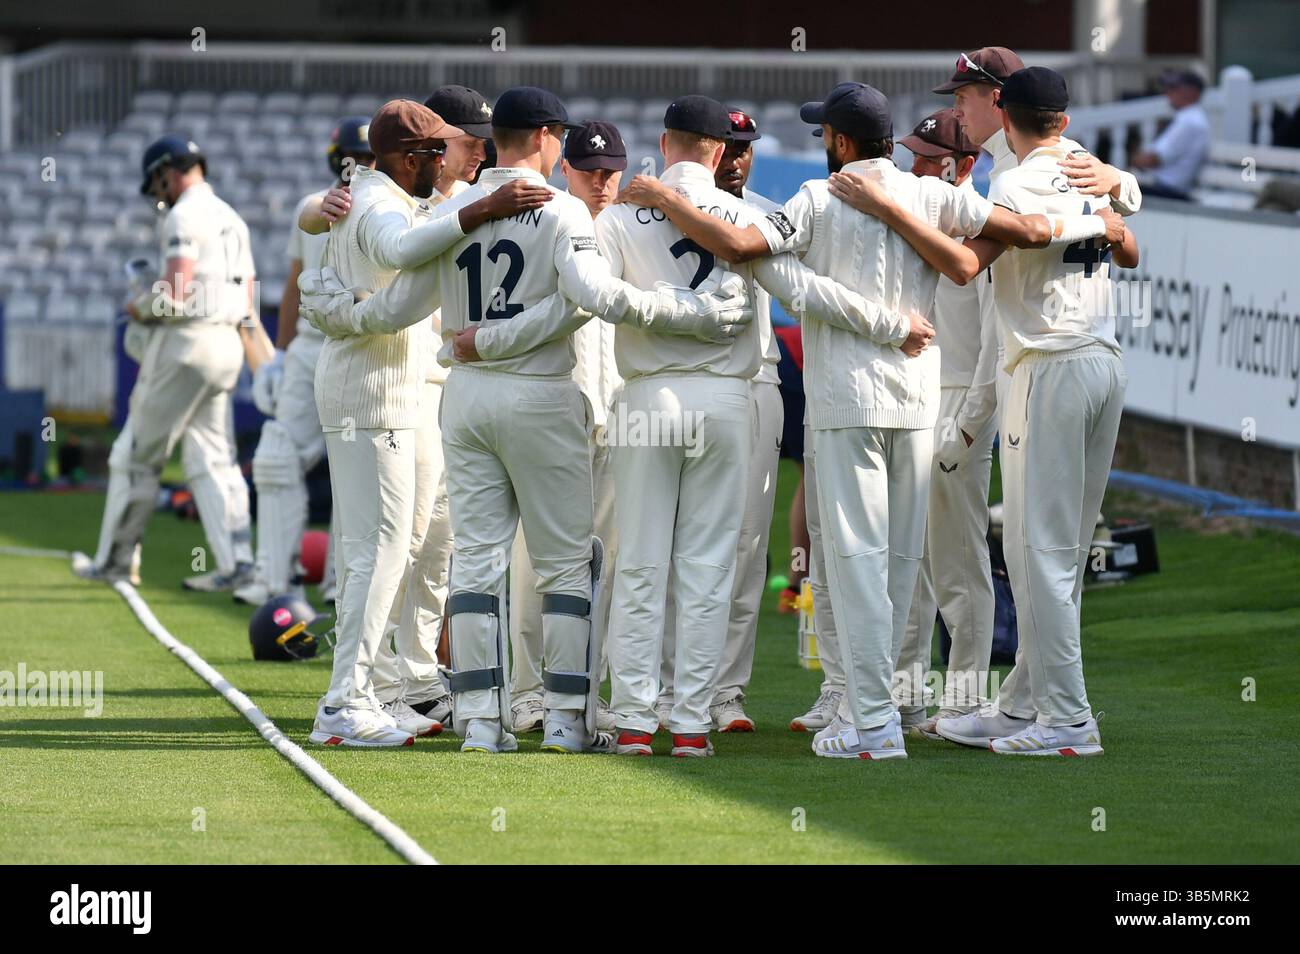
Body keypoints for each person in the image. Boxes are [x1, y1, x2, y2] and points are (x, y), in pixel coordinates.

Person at [619, 82, 1124, 760]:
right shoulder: (933, 194)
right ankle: (880, 711)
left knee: (853, 558)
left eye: (824, 133)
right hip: (918, 400)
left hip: (847, 400)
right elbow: (1023, 233)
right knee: (901, 561)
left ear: (841, 142)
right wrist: (1110, 217)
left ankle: (873, 723)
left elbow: (740, 247)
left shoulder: (816, 199)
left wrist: (665, 198)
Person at [299, 86, 754, 756]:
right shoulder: (563, 210)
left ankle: (481, 723)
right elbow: (593, 299)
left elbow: (398, 309)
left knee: (476, 563)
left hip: (466, 398)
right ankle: (568, 721)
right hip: (540, 394)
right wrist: (693, 311)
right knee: (565, 564)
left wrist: (331, 306)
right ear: (544, 137)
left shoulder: (452, 210)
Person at [854, 68, 1140, 757]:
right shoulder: (1091, 172)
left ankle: (1068, 722)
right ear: (1064, 121)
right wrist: (1116, 198)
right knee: (1063, 549)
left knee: (1037, 553)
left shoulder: (1011, 186)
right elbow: (1130, 245)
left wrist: (890, 211)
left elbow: (964, 267)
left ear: (1004, 110)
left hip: (1046, 365)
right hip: (1104, 360)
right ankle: (1022, 704)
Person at [301, 99, 554, 747]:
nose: (448, 161)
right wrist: (477, 211)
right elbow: (396, 246)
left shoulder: (391, 194)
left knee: (404, 546)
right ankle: (344, 702)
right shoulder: (377, 199)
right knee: (377, 550)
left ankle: (374, 692)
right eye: (437, 152)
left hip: (397, 390)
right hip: (369, 395)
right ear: (410, 157)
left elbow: (404, 259)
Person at [78, 135, 255, 592]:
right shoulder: (233, 218)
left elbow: (175, 293)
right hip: (228, 344)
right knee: (213, 459)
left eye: (157, 182)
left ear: (167, 172)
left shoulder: (183, 214)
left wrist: (141, 306)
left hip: (188, 346)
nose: (157, 193)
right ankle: (238, 564)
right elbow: (249, 297)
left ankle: (116, 562)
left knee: (134, 456)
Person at [656, 107, 784, 734]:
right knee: (672, 542)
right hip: (672, 384)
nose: (737, 159)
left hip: (753, 381)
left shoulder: (761, 210)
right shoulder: (652, 206)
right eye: (728, 147)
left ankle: (724, 691)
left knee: (745, 545)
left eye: (746, 148)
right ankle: (662, 687)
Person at [506, 119, 627, 735]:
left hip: (613, 414)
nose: (601, 184)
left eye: (610, 173)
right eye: (589, 171)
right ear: (565, 168)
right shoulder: (548, 220)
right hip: (553, 408)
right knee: (534, 560)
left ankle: (583, 689)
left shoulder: (633, 227)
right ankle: (527, 690)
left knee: (598, 561)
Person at [890, 108, 1000, 738]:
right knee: (910, 565)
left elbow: (994, 339)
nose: (917, 168)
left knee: (958, 565)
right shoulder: (917, 219)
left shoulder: (983, 224)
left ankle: (961, 703)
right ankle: (907, 699)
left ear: (962, 166)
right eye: (913, 156)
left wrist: (968, 424)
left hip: (960, 402)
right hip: (916, 397)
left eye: (929, 159)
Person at [236, 117, 373, 607]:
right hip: (310, 348)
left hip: (361, 346)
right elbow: (296, 282)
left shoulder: (386, 209)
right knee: (276, 459)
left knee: (354, 465)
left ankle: (342, 582)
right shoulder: (311, 206)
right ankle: (276, 581)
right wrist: (282, 351)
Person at [1132, 70, 1210, 200]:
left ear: (1192, 92)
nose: (1168, 93)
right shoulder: (1186, 118)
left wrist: (1136, 158)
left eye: (1174, 88)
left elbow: (1151, 160)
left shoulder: (1190, 122)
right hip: (1162, 188)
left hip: (1171, 193)